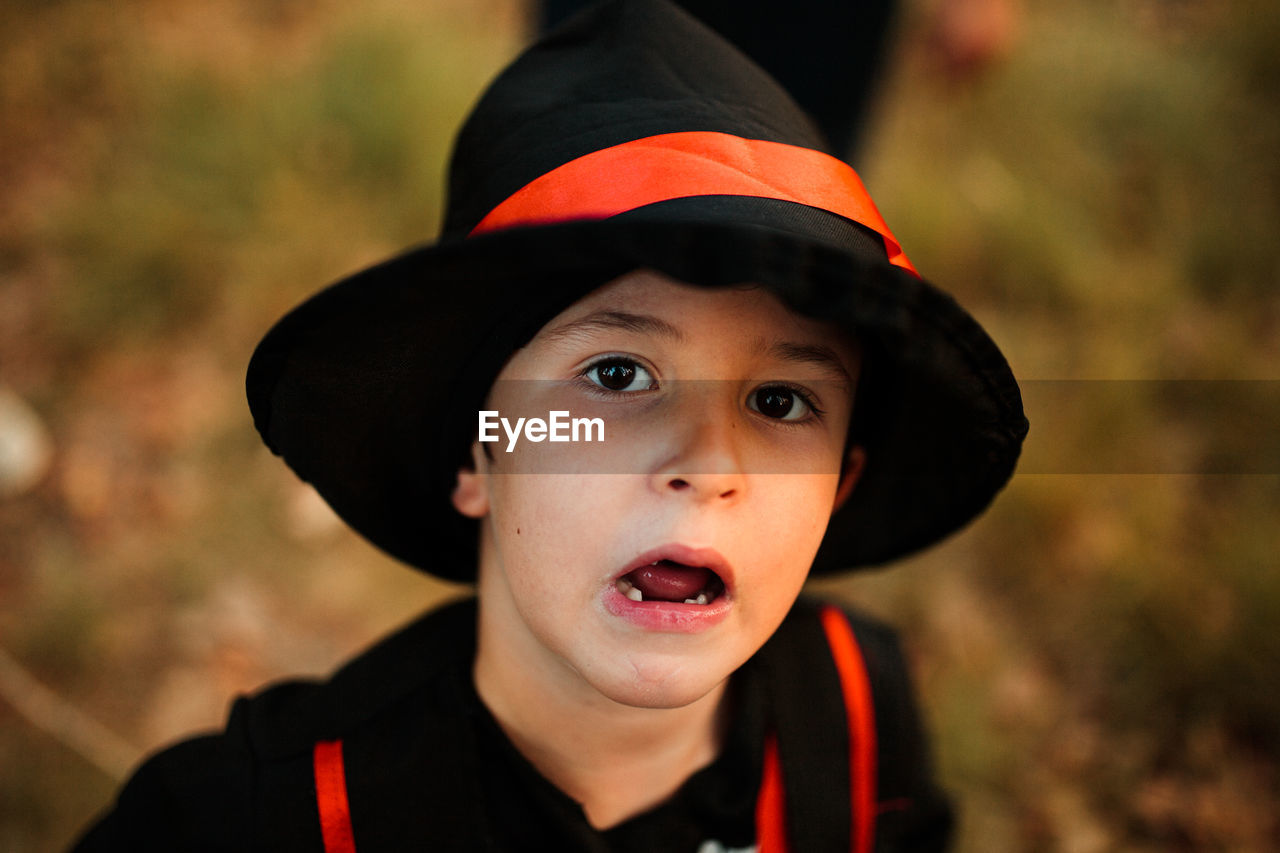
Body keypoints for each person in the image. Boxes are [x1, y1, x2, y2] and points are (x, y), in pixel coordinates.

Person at [73, 1, 1027, 850]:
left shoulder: (858, 719)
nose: (708, 461)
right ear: (477, 448)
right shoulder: (251, 820)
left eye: (781, 401)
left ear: (840, 486)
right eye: (618, 374)